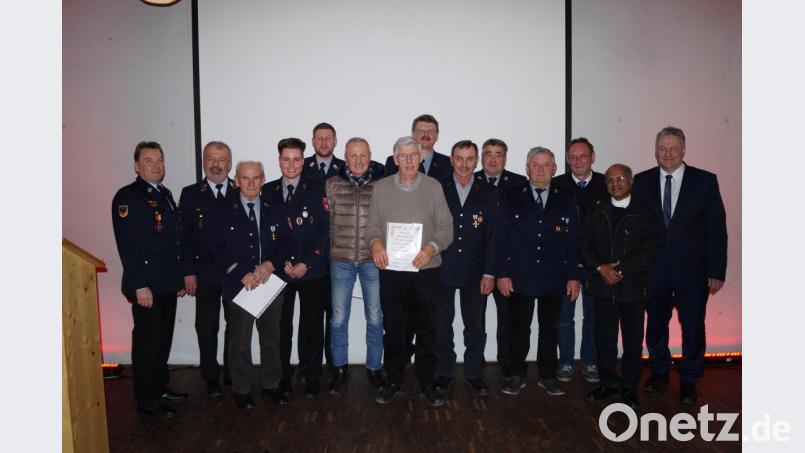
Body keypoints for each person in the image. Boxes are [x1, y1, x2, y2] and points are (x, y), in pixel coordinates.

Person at [632, 126, 727, 405]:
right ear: (655, 150)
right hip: (654, 270)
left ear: (683, 150)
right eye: (662, 148)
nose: (668, 153)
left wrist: (716, 271)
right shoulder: (642, 181)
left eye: (674, 148)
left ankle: (689, 379)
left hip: (693, 271)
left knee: (693, 326)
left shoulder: (705, 181)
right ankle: (660, 372)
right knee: (656, 325)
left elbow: (716, 230)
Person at [367, 136, 453, 407]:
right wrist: (376, 242)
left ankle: (427, 382)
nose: (408, 161)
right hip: (391, 271)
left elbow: (446, 228)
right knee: (394, 328)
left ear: (420, 157)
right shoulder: (380, 188)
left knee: (427, 329)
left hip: (426, 270)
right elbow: (372, 227)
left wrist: (431, 248)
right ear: (394, 159)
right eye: (402, 156)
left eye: (413, 155)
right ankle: (394, 379)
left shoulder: (434, 187)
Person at [111, 141, 188, 419]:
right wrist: (139, 284)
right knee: (146, 343)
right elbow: (128, 246)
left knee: (162, 340)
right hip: (147, 285)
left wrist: (178, 277)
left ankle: (159, 387)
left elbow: (173, 240)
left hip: (166, 282)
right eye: (149, 161)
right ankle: (146, 400)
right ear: (136, 166)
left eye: (159, 160)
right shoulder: (128, 197)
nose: (156, 166)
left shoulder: (164, 193)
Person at [496, 147, 581, 397]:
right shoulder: (511, 196)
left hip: (554, 276)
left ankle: (547, 375)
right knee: (519, 328)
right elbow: (501, 238)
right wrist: (502, 273)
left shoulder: (566, 198)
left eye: (546, 165)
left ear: (554, 169)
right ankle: (515, 374)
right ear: (527, 168)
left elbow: (574, 240)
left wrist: (574, 276)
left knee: (550, 329)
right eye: (536, 164)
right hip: (519, 275)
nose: (541, 169)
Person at [207, 161, 289, 410]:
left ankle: (271, 386)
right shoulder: (222, 211)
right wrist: (241, 273)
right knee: (239, 340)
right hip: (239, 285)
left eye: (256, 178)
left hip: (269, 283)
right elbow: (216, 249)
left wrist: (271, 265)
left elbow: (286, 243)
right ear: (236, 181)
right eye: (246, 178)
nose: (251, 183)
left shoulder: (275, 208)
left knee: (272, 338)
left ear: (264, 180)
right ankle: (241, 390)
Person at [579, 164, 659, 410]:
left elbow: (648, 251)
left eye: (621, 179)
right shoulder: (596, 211)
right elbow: (584, 246)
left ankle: (629, 388)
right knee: (604, 340)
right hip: (602, 288)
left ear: (631, 181)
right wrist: (600, 268)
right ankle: (609, 384)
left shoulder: (645, 212)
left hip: (632, 289)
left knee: (633, 342)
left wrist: (620, 269)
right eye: (611, 180)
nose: (616, 184)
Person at [263, 138, 331, 398]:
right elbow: (265, 233)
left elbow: (324, 230)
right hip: (279, 270)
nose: (291, 165)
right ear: (279, 160)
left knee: (312, 326)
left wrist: (306, 263)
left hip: (311, 270)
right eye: (286, 159)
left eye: (296, 159)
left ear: (304, 160)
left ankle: (311, 375)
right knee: (280, 327)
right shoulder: (267, 191)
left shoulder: (318, 188)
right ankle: (282, 376)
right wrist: (280, 263)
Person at [435, 140, 498, 397]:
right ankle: (445, 372)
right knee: (442, 324)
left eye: (469, 159)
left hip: (476, 272)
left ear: (477, 161)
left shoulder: (489, 191)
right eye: (459, 158)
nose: (464, 164)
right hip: (441, 268)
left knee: (475, 326)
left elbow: (494, 236)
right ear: (451, 160)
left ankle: (473, 373)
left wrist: (490, 272)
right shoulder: (438, 187)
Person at [325, 137, 386, 394]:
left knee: (375, 317)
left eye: (363, 155)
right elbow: (325, 224)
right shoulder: (332, 185)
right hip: (340, 261)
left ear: (370, 156)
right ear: (345, 157)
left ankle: (374, 368)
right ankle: (340, 369)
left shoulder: (383, 186)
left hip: (372, 261)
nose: (358, 160)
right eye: (353, 155)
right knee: (338, 319)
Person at [178, 141, 238, 398]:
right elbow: (183, 237)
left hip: (236, 273)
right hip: (204, 273)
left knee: (235, 325)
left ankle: (232, 372)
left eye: (221, 159)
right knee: (207, 326)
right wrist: (187, 271)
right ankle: (210, 376)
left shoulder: (241, 190)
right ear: (203, 162)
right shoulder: (191, 194)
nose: (216, 164)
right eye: (210, 159)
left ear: (230, 163)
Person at [551, 137, 608, 384]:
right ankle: (565, 362)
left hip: (597, 266)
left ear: (593, 156)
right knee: (564, 317)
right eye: (572, 157)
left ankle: (589, 362)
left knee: (593, 317)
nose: (577, 161)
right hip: (565, 265)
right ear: (567, 159)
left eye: (583, 156)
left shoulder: (608, 184)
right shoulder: (556, 186)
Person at [473, 138, 527, 382]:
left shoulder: (518, 184)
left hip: (507, 265)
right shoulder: (470, 181)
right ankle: (476, 362)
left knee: (508, 319)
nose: (492, 159)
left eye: (498, 154)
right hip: (477, 265)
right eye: (488, 154)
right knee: (476, 320)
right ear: (481, 157)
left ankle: (507, 364)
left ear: (505, 158)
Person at [384, 114, 453, 182]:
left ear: (437, 136)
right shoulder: (392, 162)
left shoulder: (448, 163)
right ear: (413, 134)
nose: (426, 134)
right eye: (421, 131)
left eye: (431, 131)